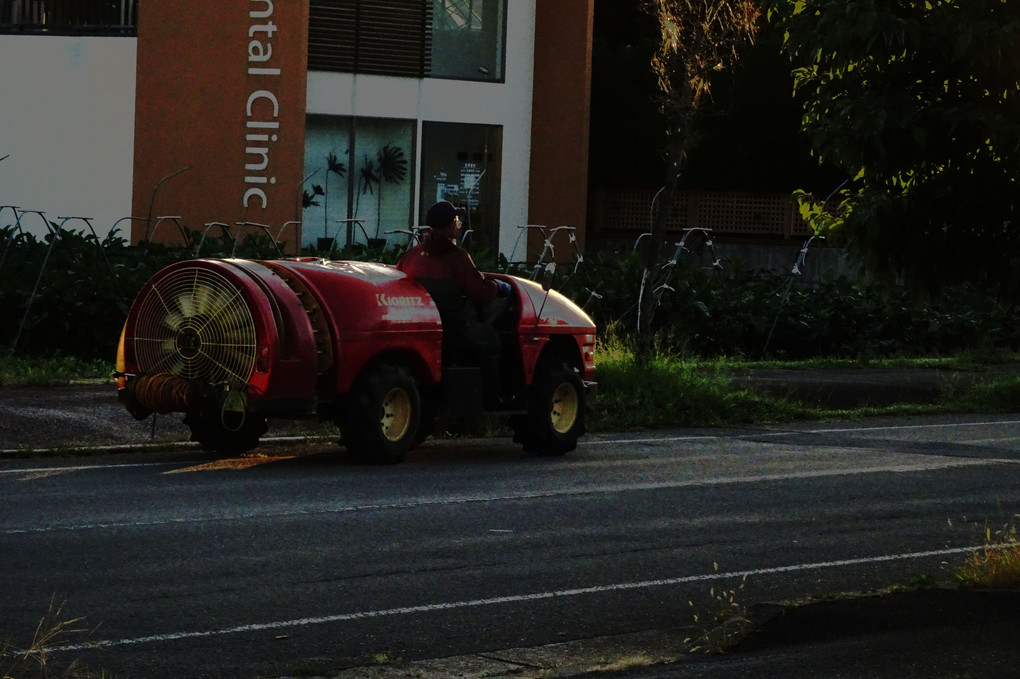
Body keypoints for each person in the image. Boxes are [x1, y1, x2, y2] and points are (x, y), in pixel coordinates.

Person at [396, 200, 513, 406]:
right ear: (451, 226)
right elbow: (482, 293)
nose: (457, 226)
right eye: (456, 222)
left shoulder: (412, 256)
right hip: (454, 329)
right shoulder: (457, 257)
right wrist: (500, 287)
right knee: (491, 340)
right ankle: (492, 398)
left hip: (420, 327)